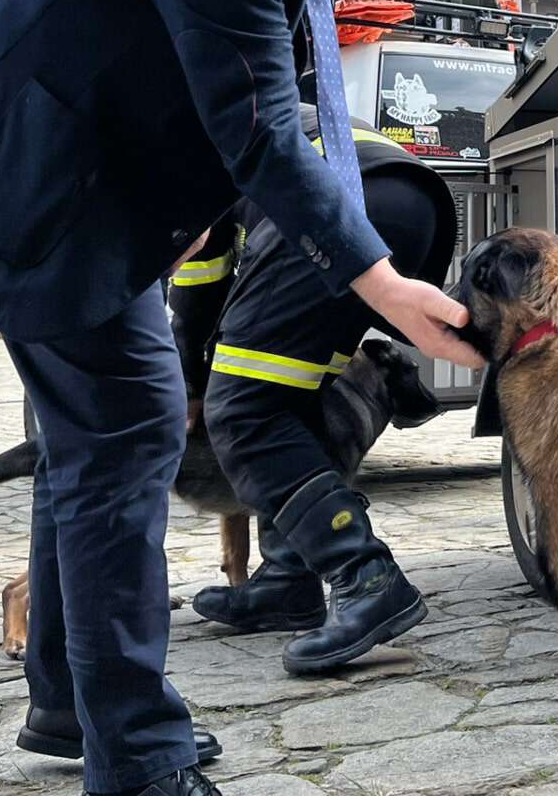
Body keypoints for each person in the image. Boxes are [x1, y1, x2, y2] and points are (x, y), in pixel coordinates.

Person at [0, 0, 483, 796]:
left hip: (84, 195)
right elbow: (261, 129)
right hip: (44, 193)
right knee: (125, 433)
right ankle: (139, 760)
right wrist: (381, 280)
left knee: (95, 443)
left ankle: (69, 708)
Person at [179, 107, 455, 671]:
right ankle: (289, 577)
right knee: (291, 399)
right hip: (410, 202)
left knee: (243, 410)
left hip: (332, 200)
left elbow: (199, 269)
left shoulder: (173, 136)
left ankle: (366, 576)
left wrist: (192, 385)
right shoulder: (234, 99)